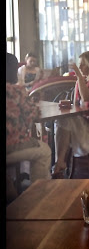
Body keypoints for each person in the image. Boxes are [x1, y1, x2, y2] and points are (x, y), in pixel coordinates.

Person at [6, 52, 51, 202]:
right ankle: (37, 199)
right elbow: (34, 114)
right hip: (10, 148)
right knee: (45, 151)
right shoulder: (15, 91)